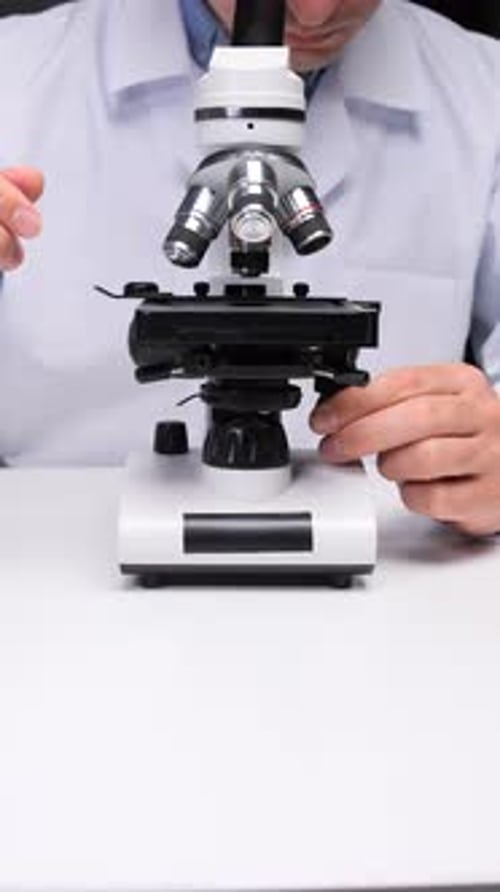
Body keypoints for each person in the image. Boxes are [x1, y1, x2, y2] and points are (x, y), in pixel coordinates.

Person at [0, 0, 500, 537]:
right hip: (44, 559)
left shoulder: (484, 88)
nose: (313, 13)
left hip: (406, 569)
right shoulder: (15, 73)